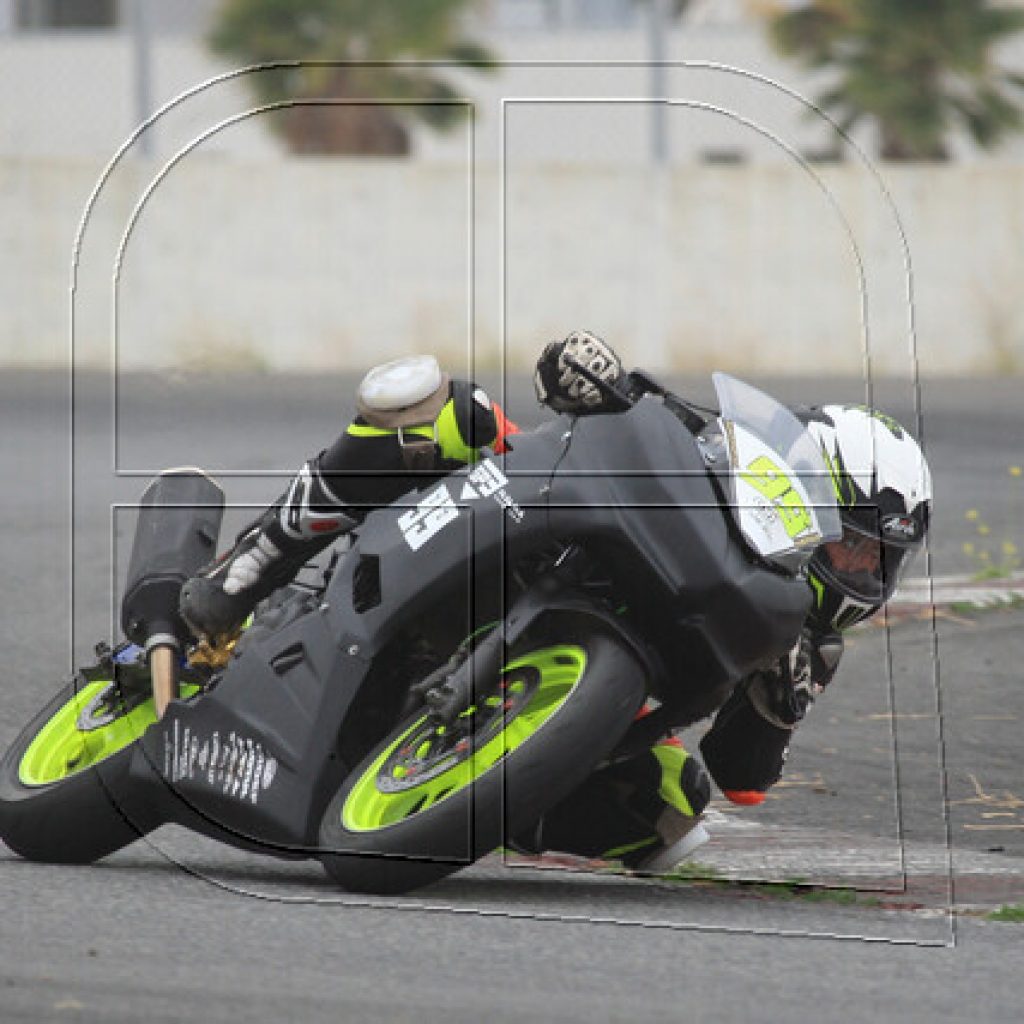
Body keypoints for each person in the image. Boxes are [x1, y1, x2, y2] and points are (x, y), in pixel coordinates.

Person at [179, 332, 932, 873]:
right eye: (853, 542)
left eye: (876, 559)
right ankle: (246, 573)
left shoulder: (806, 646)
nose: (859, 568)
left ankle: (479, 794)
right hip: (536, 529)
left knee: (677, 809)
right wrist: (589, 372)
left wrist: (778, 707)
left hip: (588, 706)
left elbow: (742, 779)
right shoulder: (720, 449)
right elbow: (613, 406)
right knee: (446, 411)